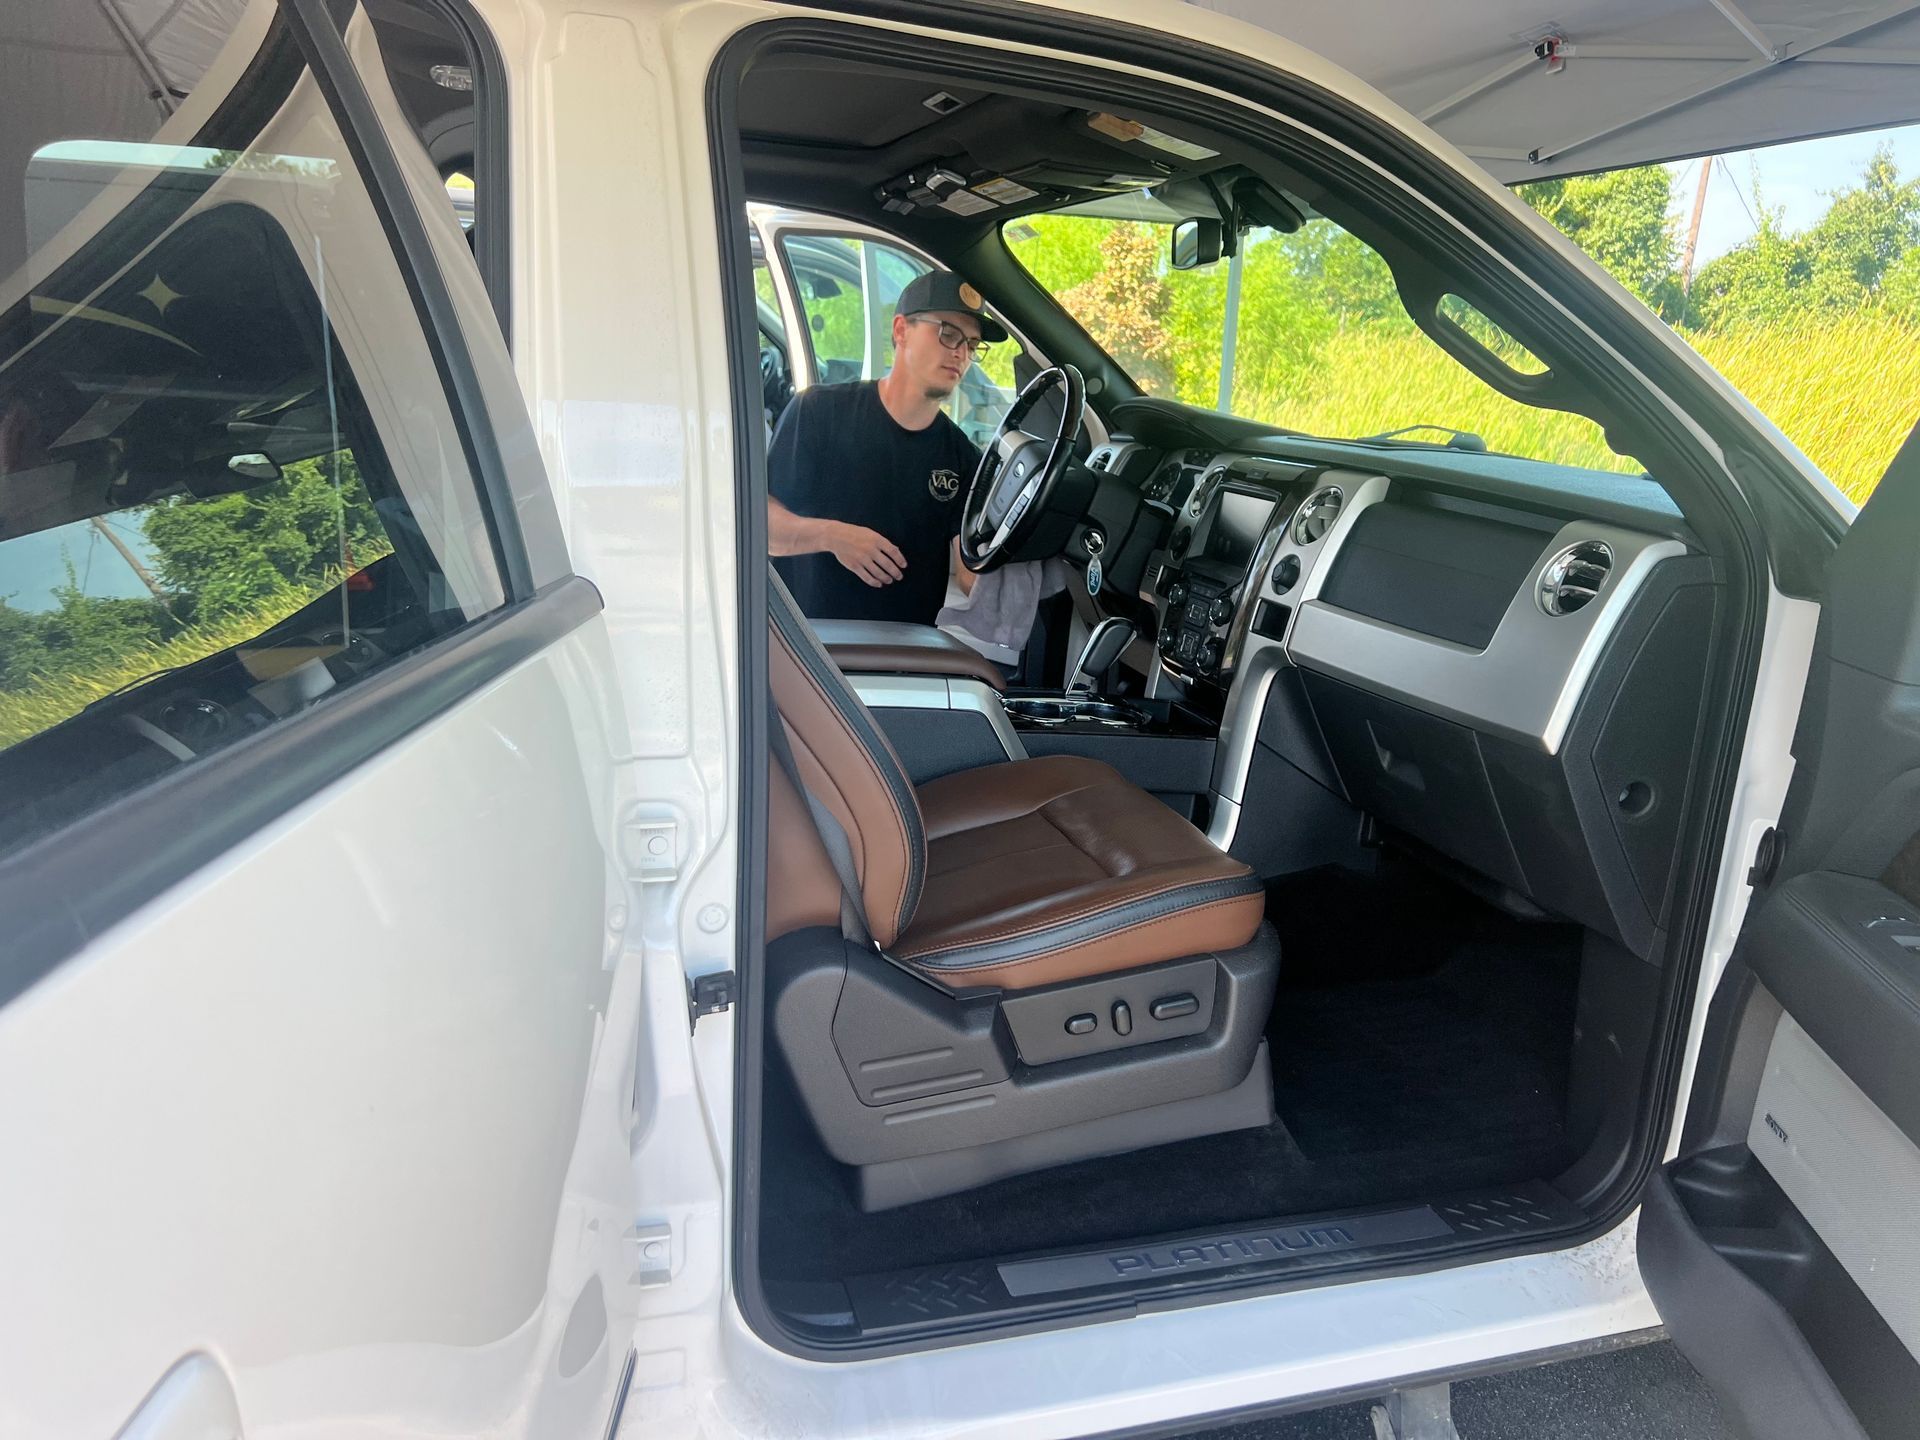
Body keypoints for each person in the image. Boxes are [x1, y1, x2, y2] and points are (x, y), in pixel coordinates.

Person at [767, 271, 1006, 624]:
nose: (961, 354)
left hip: (904, 650)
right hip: (808, 643)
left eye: (972, 345)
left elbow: (971, 578)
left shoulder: (962, 458)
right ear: (901, 330)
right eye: (948, 333)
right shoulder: (818, 412)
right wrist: (833, 536)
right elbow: (764, 529)